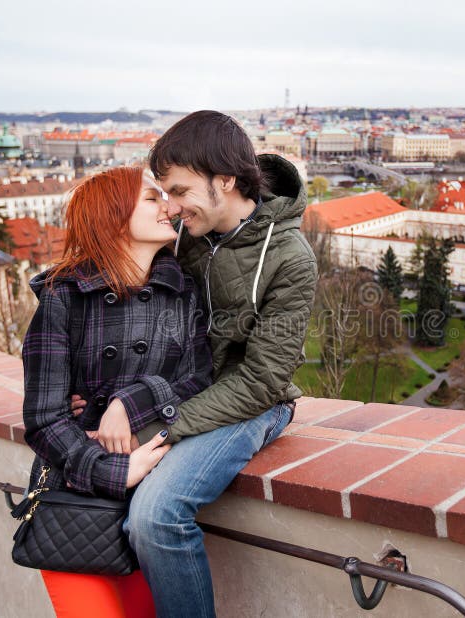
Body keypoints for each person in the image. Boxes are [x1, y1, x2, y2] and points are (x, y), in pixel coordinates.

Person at [86, 111, 318, 617]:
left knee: (154, 517)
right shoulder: (188, 236)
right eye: (162, 192)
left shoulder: (291, 258)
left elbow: (263, 380)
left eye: (179, 190)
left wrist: (167, 427)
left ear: (226, 181)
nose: (169, 207)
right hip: (183, 394)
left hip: (254, 403)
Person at [21, 166, 212, 617]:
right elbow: (44, 418)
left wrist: (130, 402)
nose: (168, 206)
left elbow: (200, 380)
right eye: (151, 198)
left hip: (152, 497)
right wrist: (113, 472)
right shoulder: (63, 296)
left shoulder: (184, 291)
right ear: (113, 216)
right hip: (77, 500)